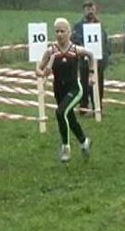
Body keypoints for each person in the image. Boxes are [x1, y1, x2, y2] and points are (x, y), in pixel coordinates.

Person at [36, 18, 94, 162]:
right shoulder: (51, 51)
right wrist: (43, 73)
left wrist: (92, 74)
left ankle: (65, 148)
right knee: (69, 118)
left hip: (74, 88)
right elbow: (38, 69)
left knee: (60, 112)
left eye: (62, 31)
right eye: (57, 31)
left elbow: (91, 55)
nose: (59, 34)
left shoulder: (75, 50)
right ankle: (84, 142)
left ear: (69, 32)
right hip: (59, 90)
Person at [72, 0, 111, 116]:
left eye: (92, 9)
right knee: (84, 85)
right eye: (88, 9)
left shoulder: (100, 25)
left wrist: (106, 55)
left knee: (99, 85)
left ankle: (97, 108)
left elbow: (105, 40)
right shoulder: (78, 26)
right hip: (84, 62)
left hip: (99, 62)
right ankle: (83, 108)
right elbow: (75, 41)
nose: (90, 11)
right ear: (84, 11)